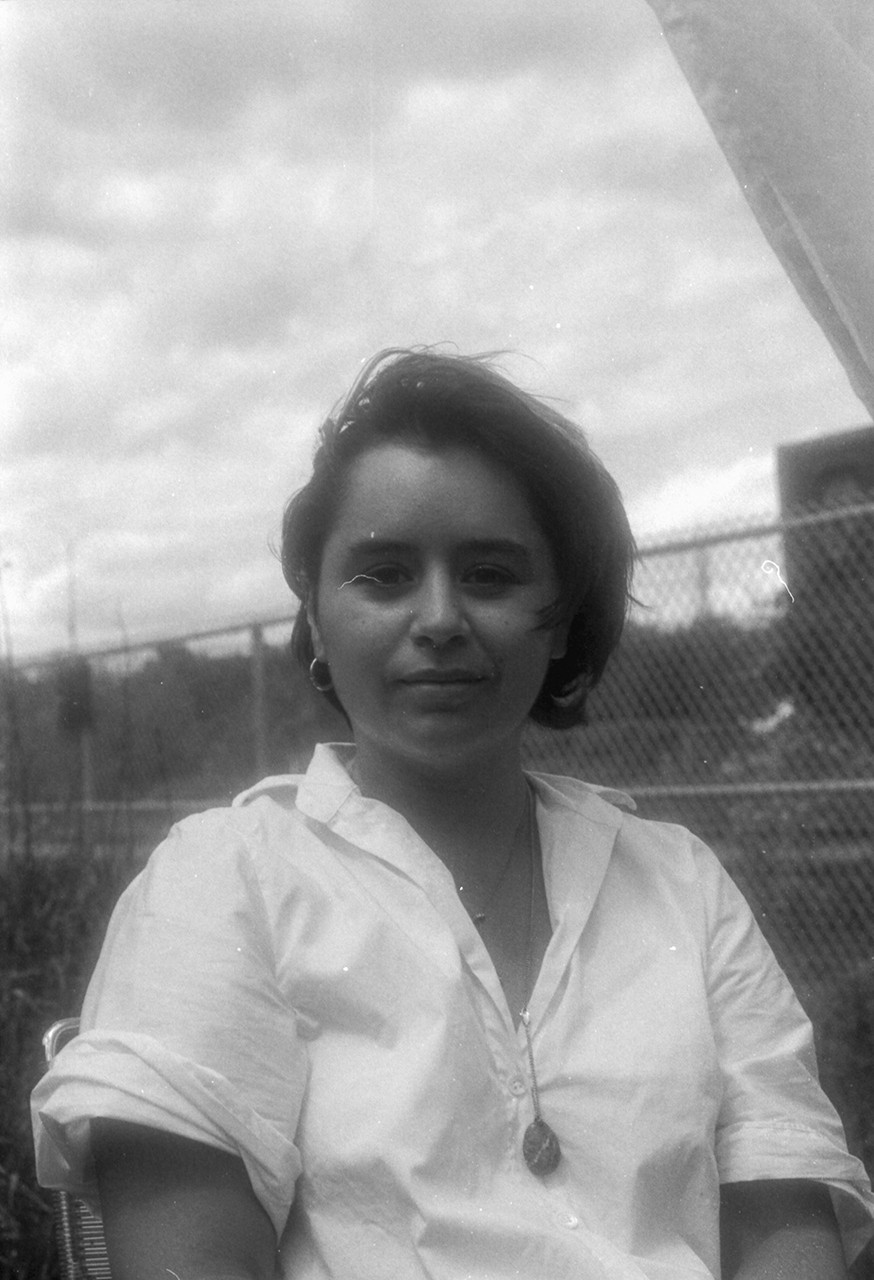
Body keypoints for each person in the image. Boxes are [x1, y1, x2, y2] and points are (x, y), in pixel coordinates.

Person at [32, 349, 874, 1279]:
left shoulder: (682, 883)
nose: (439, 618)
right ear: (315, 612)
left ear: (558, 620)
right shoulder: (226, 880)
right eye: (384, 575)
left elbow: (784, 1217)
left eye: (490, 574)